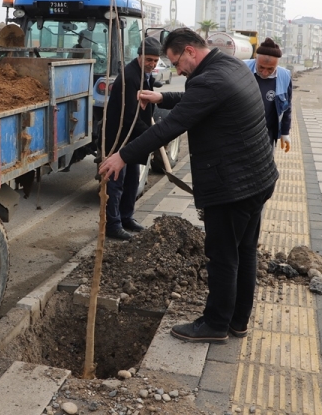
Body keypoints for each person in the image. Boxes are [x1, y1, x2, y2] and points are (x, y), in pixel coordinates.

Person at [98, 28, 278, 344]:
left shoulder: (210, 79)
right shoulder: (229, 66)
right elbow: (199, 99)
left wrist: (122, 157)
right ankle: (237, 321)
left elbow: (171, 126)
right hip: (258, 179)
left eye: (176, 62)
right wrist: (162, 96)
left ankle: (216, 324)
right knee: (245, 251)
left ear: (191, 51)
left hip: (233, 186)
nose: (177, 71)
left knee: (223, 256)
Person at [102, 37, 162, 241]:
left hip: (133, 138)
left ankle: (127, 217)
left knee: (132, 180)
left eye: (155, 61)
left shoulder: (145, 75)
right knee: (116, 182)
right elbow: (129, 116)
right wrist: (152, 135)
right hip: (120, 137)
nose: (152, 64)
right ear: (139, 55)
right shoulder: (129, 77)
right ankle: (113, 224)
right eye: (149, 59)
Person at [244, 38, 292, 151]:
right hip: (242, 132)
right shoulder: (242, 69)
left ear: (277, 64)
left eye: (270, 69)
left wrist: (285, 133)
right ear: (256, 59)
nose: (265, 72)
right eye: (261, 67)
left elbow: (287, 107)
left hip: (268, 132)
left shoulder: (285, 76)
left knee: (265, 166)